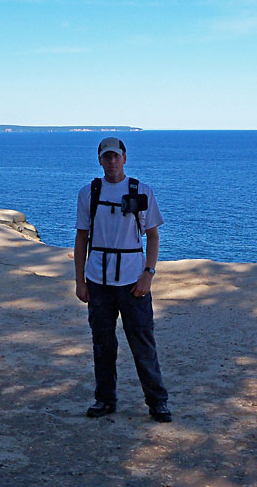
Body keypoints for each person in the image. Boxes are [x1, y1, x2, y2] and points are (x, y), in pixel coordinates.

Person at [74, 137, 171, 422]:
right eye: (107, 157)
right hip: (98, 281)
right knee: (103, 344)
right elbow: (81, 238)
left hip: (132, 281)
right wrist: (80, 281)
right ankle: (105, 400)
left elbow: (152, 236)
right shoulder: (88, 193)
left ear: (125, 158)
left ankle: (157, 402)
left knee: (143, 343)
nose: (112, 161)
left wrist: (148, 274)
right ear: (100, 160)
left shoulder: (142, 191)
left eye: (116, 156)